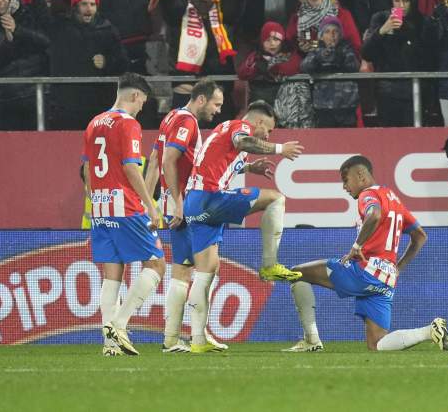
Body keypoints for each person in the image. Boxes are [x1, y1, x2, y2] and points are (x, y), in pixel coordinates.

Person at [284, 155, 448, 352]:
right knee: (377, 344)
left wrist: (357, 246)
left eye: (345, 180)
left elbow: (374, 214)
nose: (345, 187)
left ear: (361, 175)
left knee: (296, 273)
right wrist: (398, 268)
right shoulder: (393, 198)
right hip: (386, 278)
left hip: (365, 271)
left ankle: (311, 341)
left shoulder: (368, 194)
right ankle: (429, 331)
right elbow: (420, 236)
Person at [183, 100, 304, 353]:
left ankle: (197, 340)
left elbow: (218, 159)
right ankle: (270, 265)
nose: (268, 136)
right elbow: (242, 142)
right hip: (210, 197)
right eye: (268, 130)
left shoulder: (223, 128)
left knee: (207, 271)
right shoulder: (241, 127)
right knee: (276, 199)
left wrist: (249, 167)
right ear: (258, 122)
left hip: (193, 202)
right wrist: (279, 148)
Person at [82, 73, 166, 356]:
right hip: (126, 206)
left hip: (101, 207)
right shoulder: (128, 124)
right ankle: (118, 325)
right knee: (156, 264)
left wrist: (95, 199)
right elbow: (132, 168)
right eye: (143, 100)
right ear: (134, 95)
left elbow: (86, 169)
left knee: (112, 273)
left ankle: (109, 345)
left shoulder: (94, 122)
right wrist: (150, 205)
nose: (143, 106)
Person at [144, 79, 226, 353]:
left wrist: (151, 202)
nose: (218, 111)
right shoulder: (187, 121)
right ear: (201, 100)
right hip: (186, 205)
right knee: (207, 267)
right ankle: (198, 335)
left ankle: (171, 339)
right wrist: (179, 203)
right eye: (216, 104)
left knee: (183, 270)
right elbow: (167, 160)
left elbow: (155, 160)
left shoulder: (171, 117)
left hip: (173, 203)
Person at [158, 0, 247, 127]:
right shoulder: (179, 8)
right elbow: (170, 7)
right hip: (185, 84)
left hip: (218, 83)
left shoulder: (224, 7)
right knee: (182, 136)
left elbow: (236, 6)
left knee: (218, 139)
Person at [48, 0, 128, 130]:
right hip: (69, 104)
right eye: (84, 4)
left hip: (99, 103)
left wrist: (107, 62)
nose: (89, 8)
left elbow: (123, 63)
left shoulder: (108, 30)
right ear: (75, 7)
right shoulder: (62, 28)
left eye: (92, 4)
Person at [0, 0, 50, 130]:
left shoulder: (30, 16)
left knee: (40, 146)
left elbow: (46, 41)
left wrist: (17, 29)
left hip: (37, 94)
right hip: (7, 98)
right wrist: (7, 41)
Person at [361, 0, 429, 127]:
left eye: (405, 1)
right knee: (389, 139)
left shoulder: (421, 21)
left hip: (414, 91)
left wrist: (406, 31)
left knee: (413, 138)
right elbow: (367, 54)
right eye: (396, 0)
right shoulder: (380, 19)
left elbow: (426, 57)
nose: (401, 5)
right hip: (386, 91)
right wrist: (382, 31)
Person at [300, 16, 360, 127]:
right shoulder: (316, 49)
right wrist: (319, 57)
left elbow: (354, 67)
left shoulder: (346, 47)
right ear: (321, 36)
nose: (332, 35)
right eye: (327, 32)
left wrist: (339, 55)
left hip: (346, 106)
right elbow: (304, 67)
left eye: (335, 31)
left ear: (340, 35)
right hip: (323, 106)